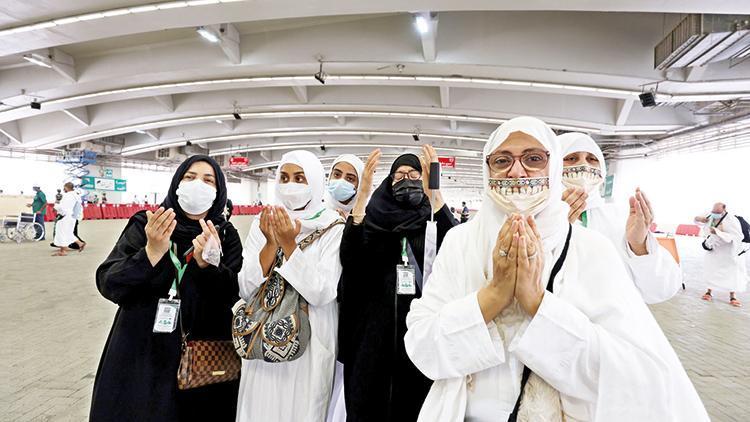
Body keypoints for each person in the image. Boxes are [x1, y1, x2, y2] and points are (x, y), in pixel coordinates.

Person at [404, 116, 708, 422]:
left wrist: (538, 304)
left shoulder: (591, 248)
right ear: (487, 169)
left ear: (554, 169)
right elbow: (422, 347)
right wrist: (492, 297)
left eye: (534, 159)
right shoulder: (461, 242)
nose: (517, 170)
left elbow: (634, 374)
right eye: (502, 160)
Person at [90, 155, 243, 422]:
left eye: (209, 181)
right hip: (141, 353)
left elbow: (233, 296)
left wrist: (209, 267)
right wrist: (150, 252)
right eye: (189, 177)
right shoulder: (147, 225)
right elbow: (109, 283)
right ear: (176, 184)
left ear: (219, 193)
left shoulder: (225, 235)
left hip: (201, 359)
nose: (198, 185)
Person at [338, 145, 457, 422]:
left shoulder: (431, 221)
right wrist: (362, 197)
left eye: (414, 174)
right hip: (370, 340)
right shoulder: (373, 220)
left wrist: (435, 194)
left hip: (419, 339)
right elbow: (350, 259)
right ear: (389, 182)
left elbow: (454, 247)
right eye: (399, 175)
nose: (407, 180)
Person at [236, 150, 344, 422]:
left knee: (302, 407)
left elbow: (322, 292)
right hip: (264, 337)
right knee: (260, 408)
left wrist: (289, 244)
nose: (290, 185)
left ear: (317, 183)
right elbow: (246, 286)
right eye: (283, 177)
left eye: (299, 178)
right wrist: (271, 243)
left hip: (310, 340)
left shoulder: (333, 226)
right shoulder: (264, 221)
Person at [557, 132, 682, 304]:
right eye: (571, 158)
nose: (583, 165)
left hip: (611, 325)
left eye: (592, 159)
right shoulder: (533, 216)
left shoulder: (620, 217)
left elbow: (663, 289)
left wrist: (639, 246)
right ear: (552, 166)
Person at [320, 153, 365, 422]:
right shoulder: (312, 217)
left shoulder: (366, 221)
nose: (341, 183)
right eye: (336, 175)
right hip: (318, 314)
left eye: (350, 178)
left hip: (347, 317)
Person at [695, 203, 748, 307]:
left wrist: (718, 232)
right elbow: (697, 220)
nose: (715, 214)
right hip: (714, 249)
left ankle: (733, 296)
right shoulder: (710, 215)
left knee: (731, 273)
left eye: (717, 212)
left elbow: (738, 236)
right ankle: (708, 292)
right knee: (712, 270)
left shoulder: (731, 220)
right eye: (713, 212)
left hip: (728, 251)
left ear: (724, 210)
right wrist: (699, 218)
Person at [324, 154, 365, 219]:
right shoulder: (317, 208)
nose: (341, 181)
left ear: (358, 185)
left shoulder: (364, 214)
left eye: (350, 179)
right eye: (337, 174)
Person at [52, 183, 85, 256]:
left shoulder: (67, 195)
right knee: (69, 232)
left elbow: (63, 207)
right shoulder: (77, 195)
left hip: (65, 216)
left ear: (66, 188)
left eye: (64, 188)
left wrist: (56, 207)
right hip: (73, 217)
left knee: (61, 232)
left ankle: (63, 251)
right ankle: (80, 243)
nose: (63, 190)